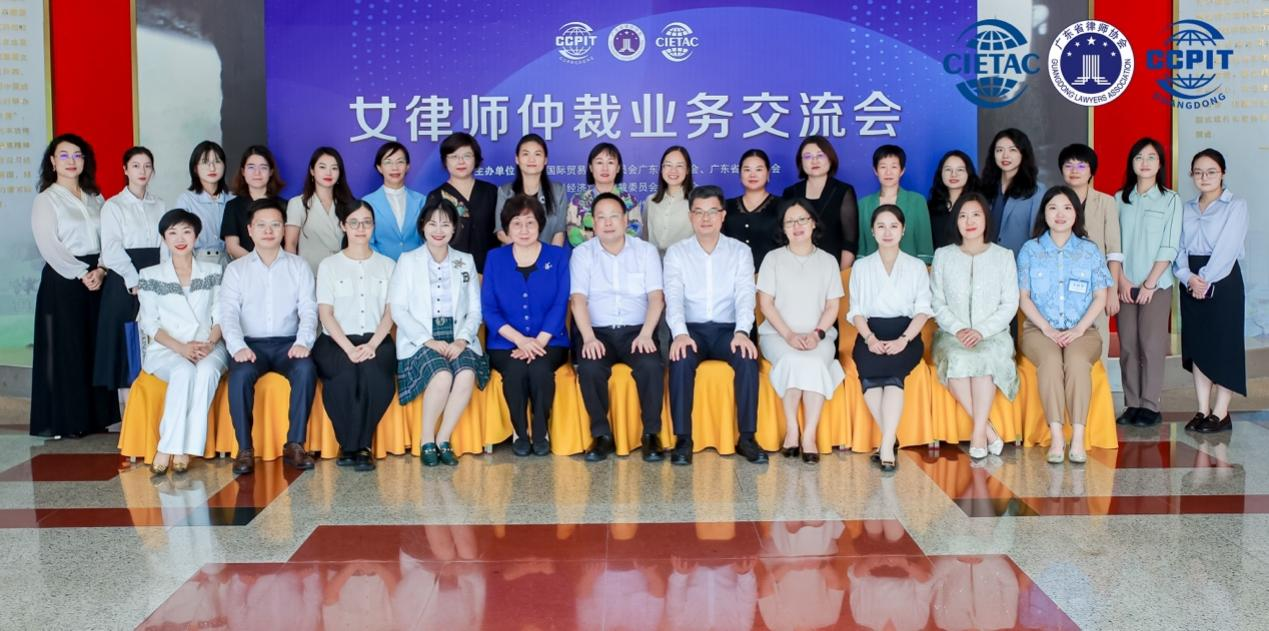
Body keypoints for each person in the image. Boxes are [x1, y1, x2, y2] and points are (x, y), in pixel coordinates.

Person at [663, 185, 767, 466]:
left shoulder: (740, 251)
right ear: (690, 216)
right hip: (691, 330)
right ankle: (683, 439)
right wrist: (680, 334)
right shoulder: (677, 253)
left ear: (723, 215)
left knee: (747, 357)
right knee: (680, 358)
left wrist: (742, 332)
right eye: (698, 212)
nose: (705, 218)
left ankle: (747, 437)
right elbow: (673, 297)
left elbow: (745, 295)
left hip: (728, 330)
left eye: (712, 212)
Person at [220, 198, 319, 474]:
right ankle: (244, 449)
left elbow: (309, 310)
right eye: (261, 225)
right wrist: (237, 347)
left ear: (283, 230)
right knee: (240, 375)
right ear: (249, 230)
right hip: (250, 345)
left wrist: (303, 342)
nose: (268, 231)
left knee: (306, 369)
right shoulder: (236, 269)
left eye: (275, 225)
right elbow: (228, 314)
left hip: (289, 344)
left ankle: (295, 444)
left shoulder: (299, 266)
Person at [29, 133, 118, 438]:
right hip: (64, 279)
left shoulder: (96, 197)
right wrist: (82, 272)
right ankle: (70, 421)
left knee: (95, 346)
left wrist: (101, 269)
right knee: (68, 349)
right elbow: (49, 246)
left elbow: (110, 238)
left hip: (98, 276)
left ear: (85, 161)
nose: (71, 161)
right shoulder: (46, 199)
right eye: (64, 155)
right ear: (52, 162)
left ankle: (97, 418)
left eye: (77, 155)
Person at [389, 197, 489, 466]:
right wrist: (427, 340)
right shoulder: (407, 261)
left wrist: (463, 339)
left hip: (457, 337)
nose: (438, 230)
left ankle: (444, 438)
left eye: (445, 224)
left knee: (466, 373)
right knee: (442, 375)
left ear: (454, 228)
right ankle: (426, 440)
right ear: (422, 226)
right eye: (432, 223)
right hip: (421, 340)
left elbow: (475, 310)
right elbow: (398, 309)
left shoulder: (465, 261)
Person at [1017, 186, 1113, 464]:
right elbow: (1023, 297)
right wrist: (1047, 329)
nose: (1060, 214)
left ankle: (1078, 438)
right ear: (1044, 213)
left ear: (1076, 213)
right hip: (1038, 331)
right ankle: (1057, 437)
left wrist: (1079, 329)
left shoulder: (1089, 250)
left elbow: (1101, 296)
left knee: (1077, 362)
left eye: (1067, 208)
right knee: (1050, 362)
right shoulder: (1030, 250)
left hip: (1083, 331)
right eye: (1053, 208)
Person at [570, 192, 665, 462]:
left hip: (638, 331)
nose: (608, 223)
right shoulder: (582, 253)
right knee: (590, 368)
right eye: (601, 217)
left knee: (651, 366)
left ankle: (651, 434)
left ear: (625, 220)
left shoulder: (645, 251)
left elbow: (656, 298)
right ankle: (602, 435)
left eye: (614, 216)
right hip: (597, 332)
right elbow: (578, 300)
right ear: (593, 222)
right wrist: (588, 338)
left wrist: (646, 334)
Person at [136, 209, 228, 474]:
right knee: (184, 371)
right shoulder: (150, 274)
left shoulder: (213, 271)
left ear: (196, 236)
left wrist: (210, 343)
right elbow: (149, 323)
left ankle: (184, 448)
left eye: (187, 231)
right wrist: (181, 348)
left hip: (209, 344)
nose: (180, 238)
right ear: (164, 238)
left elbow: (221, 314)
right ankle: (169, 448)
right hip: (168, 348)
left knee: (207, 371)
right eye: (172, 232)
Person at [757, 198, 846, 465]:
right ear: (783, 228)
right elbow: (766, 304)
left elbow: (832, 306)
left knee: (814, 362)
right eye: (790, 222)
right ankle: (792, 430)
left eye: (802, 220)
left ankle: (809, 436)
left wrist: (816, 334)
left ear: (813, 223)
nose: (797, 226)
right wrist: (789, 336)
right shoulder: (773, 259)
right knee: (793, 359)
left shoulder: (828, 261)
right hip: (778, 336)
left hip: (819, 335)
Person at [930, 193, 1018, 459]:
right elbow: (937, 302)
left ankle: (978, 433)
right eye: (963, 216)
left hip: (992, 335)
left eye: (976, 215)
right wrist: (958, 329)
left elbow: (1009, 303)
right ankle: (987, 431)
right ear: (955, 221)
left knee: (984, 359)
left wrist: (981, 331)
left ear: (986, 220)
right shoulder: (943, 255)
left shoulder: (1003, 256)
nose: (969, 222)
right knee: (956, 359)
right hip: (951, 334)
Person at [482, 194, 570, 456]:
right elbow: (489, 309)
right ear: (507, 228)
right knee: (516, 371)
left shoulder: (557, 257)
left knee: (541, 370)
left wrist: (538, 342)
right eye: (516, 223)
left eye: (530, 223)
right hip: (505, 343)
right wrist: (521, 341)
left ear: (540, 225)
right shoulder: (495, 258)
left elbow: (560, 303)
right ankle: (520, 432)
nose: (524, 230)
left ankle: (540, 432)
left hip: (550, 341)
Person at [312, 201, 397, 471]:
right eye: (354, 222)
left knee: (374, 374)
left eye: (367, 222)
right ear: (343, 226)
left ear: (374, 226)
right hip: (336, 341)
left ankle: (360, 446)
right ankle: (351, 445)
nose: (361, 228)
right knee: (346, 375)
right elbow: (326, 314)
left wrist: (372, 344)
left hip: (376, 339)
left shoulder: (388, 265)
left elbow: (390, 312)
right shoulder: (329, 265)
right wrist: (349, 348)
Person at [848, 205, 933, 471]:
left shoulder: (916, 266)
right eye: (881, 226)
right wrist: (870, 339)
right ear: (872, 231)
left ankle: (886, 446)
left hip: (906, 333)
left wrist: (903, 340)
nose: (887, 232)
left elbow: (923, 311)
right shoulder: (861, 267)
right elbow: (856, 311)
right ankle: (890, 438)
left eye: (894, 226)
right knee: (871, 379)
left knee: (894, 378)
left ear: (903, 230)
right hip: (870, 332)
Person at [1175, 148, 1248, 433]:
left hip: (1223, 278)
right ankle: (1202, 409)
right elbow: (1179, 246)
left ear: (1223, 173)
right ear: (1191, 175)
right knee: (1199, 346)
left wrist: (1203, 280)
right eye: (1198, 172)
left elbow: (1228, 248)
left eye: (1211, 172)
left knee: (1224, 344)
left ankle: (1221, 412)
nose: (1204, 177)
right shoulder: (1186, 208)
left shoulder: (1235, 205)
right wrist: (1187, 277)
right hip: (1191, 278)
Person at [1115, 138, 1181, 428]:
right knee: (1128, 345)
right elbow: (1113, 244)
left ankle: (1151, 405)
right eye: (1139, 157)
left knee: (1151, 345)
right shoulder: (1119, 199)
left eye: (1151, 157)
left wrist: (1149, 283)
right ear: (1131, 162)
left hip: (1157, 284)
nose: (1145, 162)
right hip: (1125, 284)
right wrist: (1121, 280)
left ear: (1160, 163)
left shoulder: (1170, 200)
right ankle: (1132, 403)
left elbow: (1170, 245)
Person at [96, 146, 167, 395]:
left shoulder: (160, 204)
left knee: (155, 343)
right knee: (127, 350)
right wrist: (135, 281)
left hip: (155, 278)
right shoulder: (113, 206)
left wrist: (161, 278)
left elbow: (166, 245)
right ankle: (129, 413)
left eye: (147, 166)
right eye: (136, 166)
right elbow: (111, 249)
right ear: (125, 169)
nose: (142, 171)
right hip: (125, 282)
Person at [1059, 143, 1124, 356]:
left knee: (1097, 347)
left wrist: (1112, 291)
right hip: (1060, 286)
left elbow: (1113, 250)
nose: (1074, 171)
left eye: (1081, 166)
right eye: (1068, 165)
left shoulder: (1105, 202)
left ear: (1091, 171)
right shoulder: (1054, 201)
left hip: (1097, 288)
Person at [781, 135, 860, 268]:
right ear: (801, 162)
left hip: (833, 268)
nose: (814, 161)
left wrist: (840, 274)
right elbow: (784, 236)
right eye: (808, 157)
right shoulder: (790, 192)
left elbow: (849, 242)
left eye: (820, 155)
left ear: (830, 158)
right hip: (795, 267)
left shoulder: (843, 191)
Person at [425, 132, 497, 272]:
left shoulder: (491, 191)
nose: (461, 162)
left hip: (490, 269)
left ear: (476, 159)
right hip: (452, 271)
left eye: (467, 156)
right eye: (454, 156)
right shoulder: (436, 196)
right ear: (445, 161)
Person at [857, 144, 934, 264]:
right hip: (872, 270)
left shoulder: (917, 201)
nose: (888, 172)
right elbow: (861, 248)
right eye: (883, 167)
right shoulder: (864, 204)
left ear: (902, 170)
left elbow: (925, 245)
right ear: (875, 170)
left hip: (910, 270)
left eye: (894, 167)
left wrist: (922, 269)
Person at [285, 146, 356, 273]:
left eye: (334, 168)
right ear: (312, 171)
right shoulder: (297, 204)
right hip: (310, 273)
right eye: (322, 167)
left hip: (343, 273)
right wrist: (293, 274)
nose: (328, 173)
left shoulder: (349, 204)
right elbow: (290, 244)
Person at [494, 133, 566, 246]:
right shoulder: (505, 191)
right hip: (514, 254)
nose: (531, 159)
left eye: (537, 154)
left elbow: (559, 233)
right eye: (525, 154)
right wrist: (526, 251)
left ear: (545, 160)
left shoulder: (558, 191)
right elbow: (501, 232)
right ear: (517, 159)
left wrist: (546, 254)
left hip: (548, 255)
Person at [982, 128, 1044, 256]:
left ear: (1023, 153)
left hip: (1018, 261)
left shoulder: (1036, 191)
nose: (1005, 155)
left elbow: (1038, 235)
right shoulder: (985, 187)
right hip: (985, 260)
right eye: (999, 150)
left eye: (1012, 150)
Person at [565, 143, 641, 245]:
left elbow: (635, 230)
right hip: (587, 254)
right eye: (599, 162)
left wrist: (612, 248)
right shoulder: (578, 200)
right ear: (591, 167)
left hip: (623, 254)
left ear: (618, 168)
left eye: (610, 162)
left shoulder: (629, 201)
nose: (605, 168)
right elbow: (573, 233)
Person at [220, 145, 285, 259]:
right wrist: (256, 264)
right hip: (245, 266)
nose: (257, 173)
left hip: (280, 266)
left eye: (263, 167)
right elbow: (232, 246)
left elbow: (289, 244)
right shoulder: (233, 206)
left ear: (271, 172)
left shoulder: (284, 205)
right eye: (251, 167)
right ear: (243, 171)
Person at [174, 141, 234, 265]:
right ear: (195, 168)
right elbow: (178, 239)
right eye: (205, 162)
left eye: (217, 161)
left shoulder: (232, 199)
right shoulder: (186, 200)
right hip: (197, 263)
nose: (212, 168)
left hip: (229, 263)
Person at [365, 141, 425, 260]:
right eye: (388, 162)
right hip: (381, 267)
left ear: (407, 166)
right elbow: (367, 241)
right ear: (379, 168)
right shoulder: (368, 202)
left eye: (400, 162)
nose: (395, 168)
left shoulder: (421, 200)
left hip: (416, 265)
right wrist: (384, 265)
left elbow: (427, 238)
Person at [723, 149, 782, 270]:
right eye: (747, 170)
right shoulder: (726, 206)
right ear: (740, 174)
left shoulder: (782, 205)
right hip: (732, 276)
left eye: (759, 169)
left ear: (768, 174)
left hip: (771, 276)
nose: (752, 175)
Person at [643, 145, 695, 255]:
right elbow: (645, 237)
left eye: (679, 166)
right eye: (668, 165)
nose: (673, 170)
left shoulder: (697, 199)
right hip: (654, 261)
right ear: (662, 169)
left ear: (688, 170)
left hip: (685, 261)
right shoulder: (651, 200)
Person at [927, 150, 979, 249]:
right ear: (941, 173)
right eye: (948, 169)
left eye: (960, 170)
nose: (953, 174)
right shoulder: (931, 208)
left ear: (969, 173)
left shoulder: (979, 205)